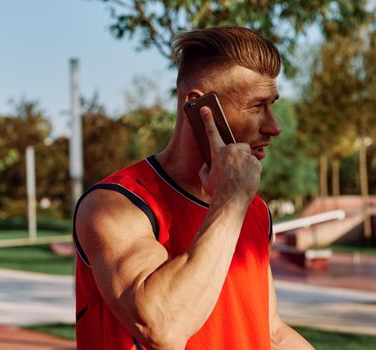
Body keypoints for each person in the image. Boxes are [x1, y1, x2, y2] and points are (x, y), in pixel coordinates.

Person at [74, 26, 314, 349]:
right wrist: (230, 202)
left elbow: (270, 330)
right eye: (257, 107)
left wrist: (235, 202)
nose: (274, 126)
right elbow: (162, 327)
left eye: (273, 105)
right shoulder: (115, 205)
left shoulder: (252, 209)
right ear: (200, 108)